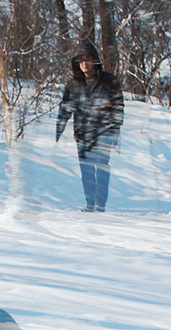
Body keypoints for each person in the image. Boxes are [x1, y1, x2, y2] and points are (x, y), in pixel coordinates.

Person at [55, 42, 124, 213]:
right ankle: (90, 204)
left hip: (103, 133)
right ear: (77, 63)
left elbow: (118, 105)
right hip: (83, 133)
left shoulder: (109, 81)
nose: (85, 63)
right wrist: (60, 126)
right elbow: (66, 107)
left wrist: (115, 128)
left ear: (95, 61)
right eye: (81, 60)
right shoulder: (73, 84)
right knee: (86, 171)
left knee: (101, 168)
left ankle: (100, 205)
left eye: (88, 59)